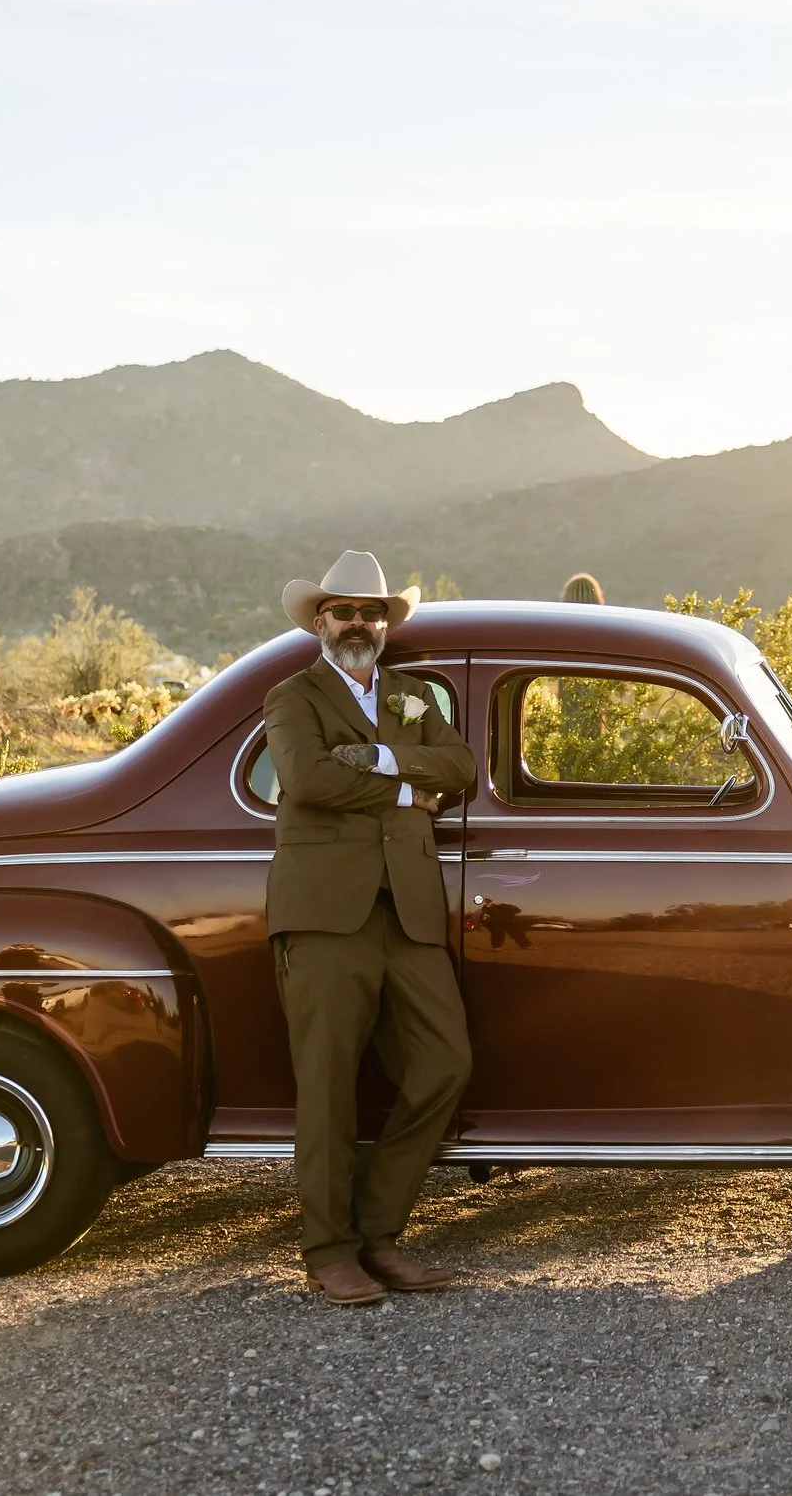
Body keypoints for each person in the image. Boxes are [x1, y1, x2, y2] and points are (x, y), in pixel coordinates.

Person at [264, 550, 477, 1306]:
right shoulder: (292, 696)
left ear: (386, 624)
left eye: (372, 612)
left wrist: (385, 754)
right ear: (319, 621)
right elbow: (309, 777)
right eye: (344, 610)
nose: (359, 623)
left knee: (443, 1064)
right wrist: (404, 792)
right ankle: (328, 1251)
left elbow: (462, 768)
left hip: (408, 913)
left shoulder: (416, 695)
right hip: (324, 913)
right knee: (327, 1086)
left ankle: (378, 1234)